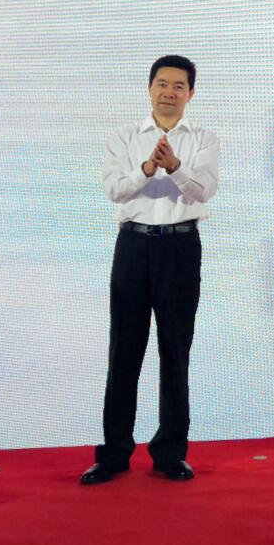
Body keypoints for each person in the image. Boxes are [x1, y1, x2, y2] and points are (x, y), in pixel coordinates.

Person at [81, 55, 220, 484]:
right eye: (162, 84)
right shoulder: (124, 137)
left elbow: (205, 191)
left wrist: (174, 167)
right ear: (149, 88)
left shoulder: (203, 139)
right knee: (124, 351)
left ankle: (170, 453)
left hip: (180, 247)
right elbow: (114, 190)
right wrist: (146, 168)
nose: (169, 92)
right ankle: (114, 453)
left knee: (175, 352)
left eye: (179, 86)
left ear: (190, 93)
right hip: (134, 246)